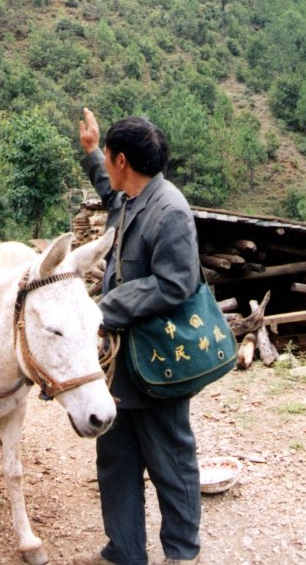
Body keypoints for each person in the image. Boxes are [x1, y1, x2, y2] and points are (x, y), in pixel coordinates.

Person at [74, 109, 202, 565]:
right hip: (121, 363)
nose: (107, 164)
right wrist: (91, 151)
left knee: (170, 459)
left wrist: (102, 308)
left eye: (107, 155)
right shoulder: (132, 197)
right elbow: (110, 192)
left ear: (123, 159)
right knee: (116, 458)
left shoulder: (171, 211)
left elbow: (176, 283)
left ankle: (182, 555)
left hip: (158, 359)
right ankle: (124, 551)